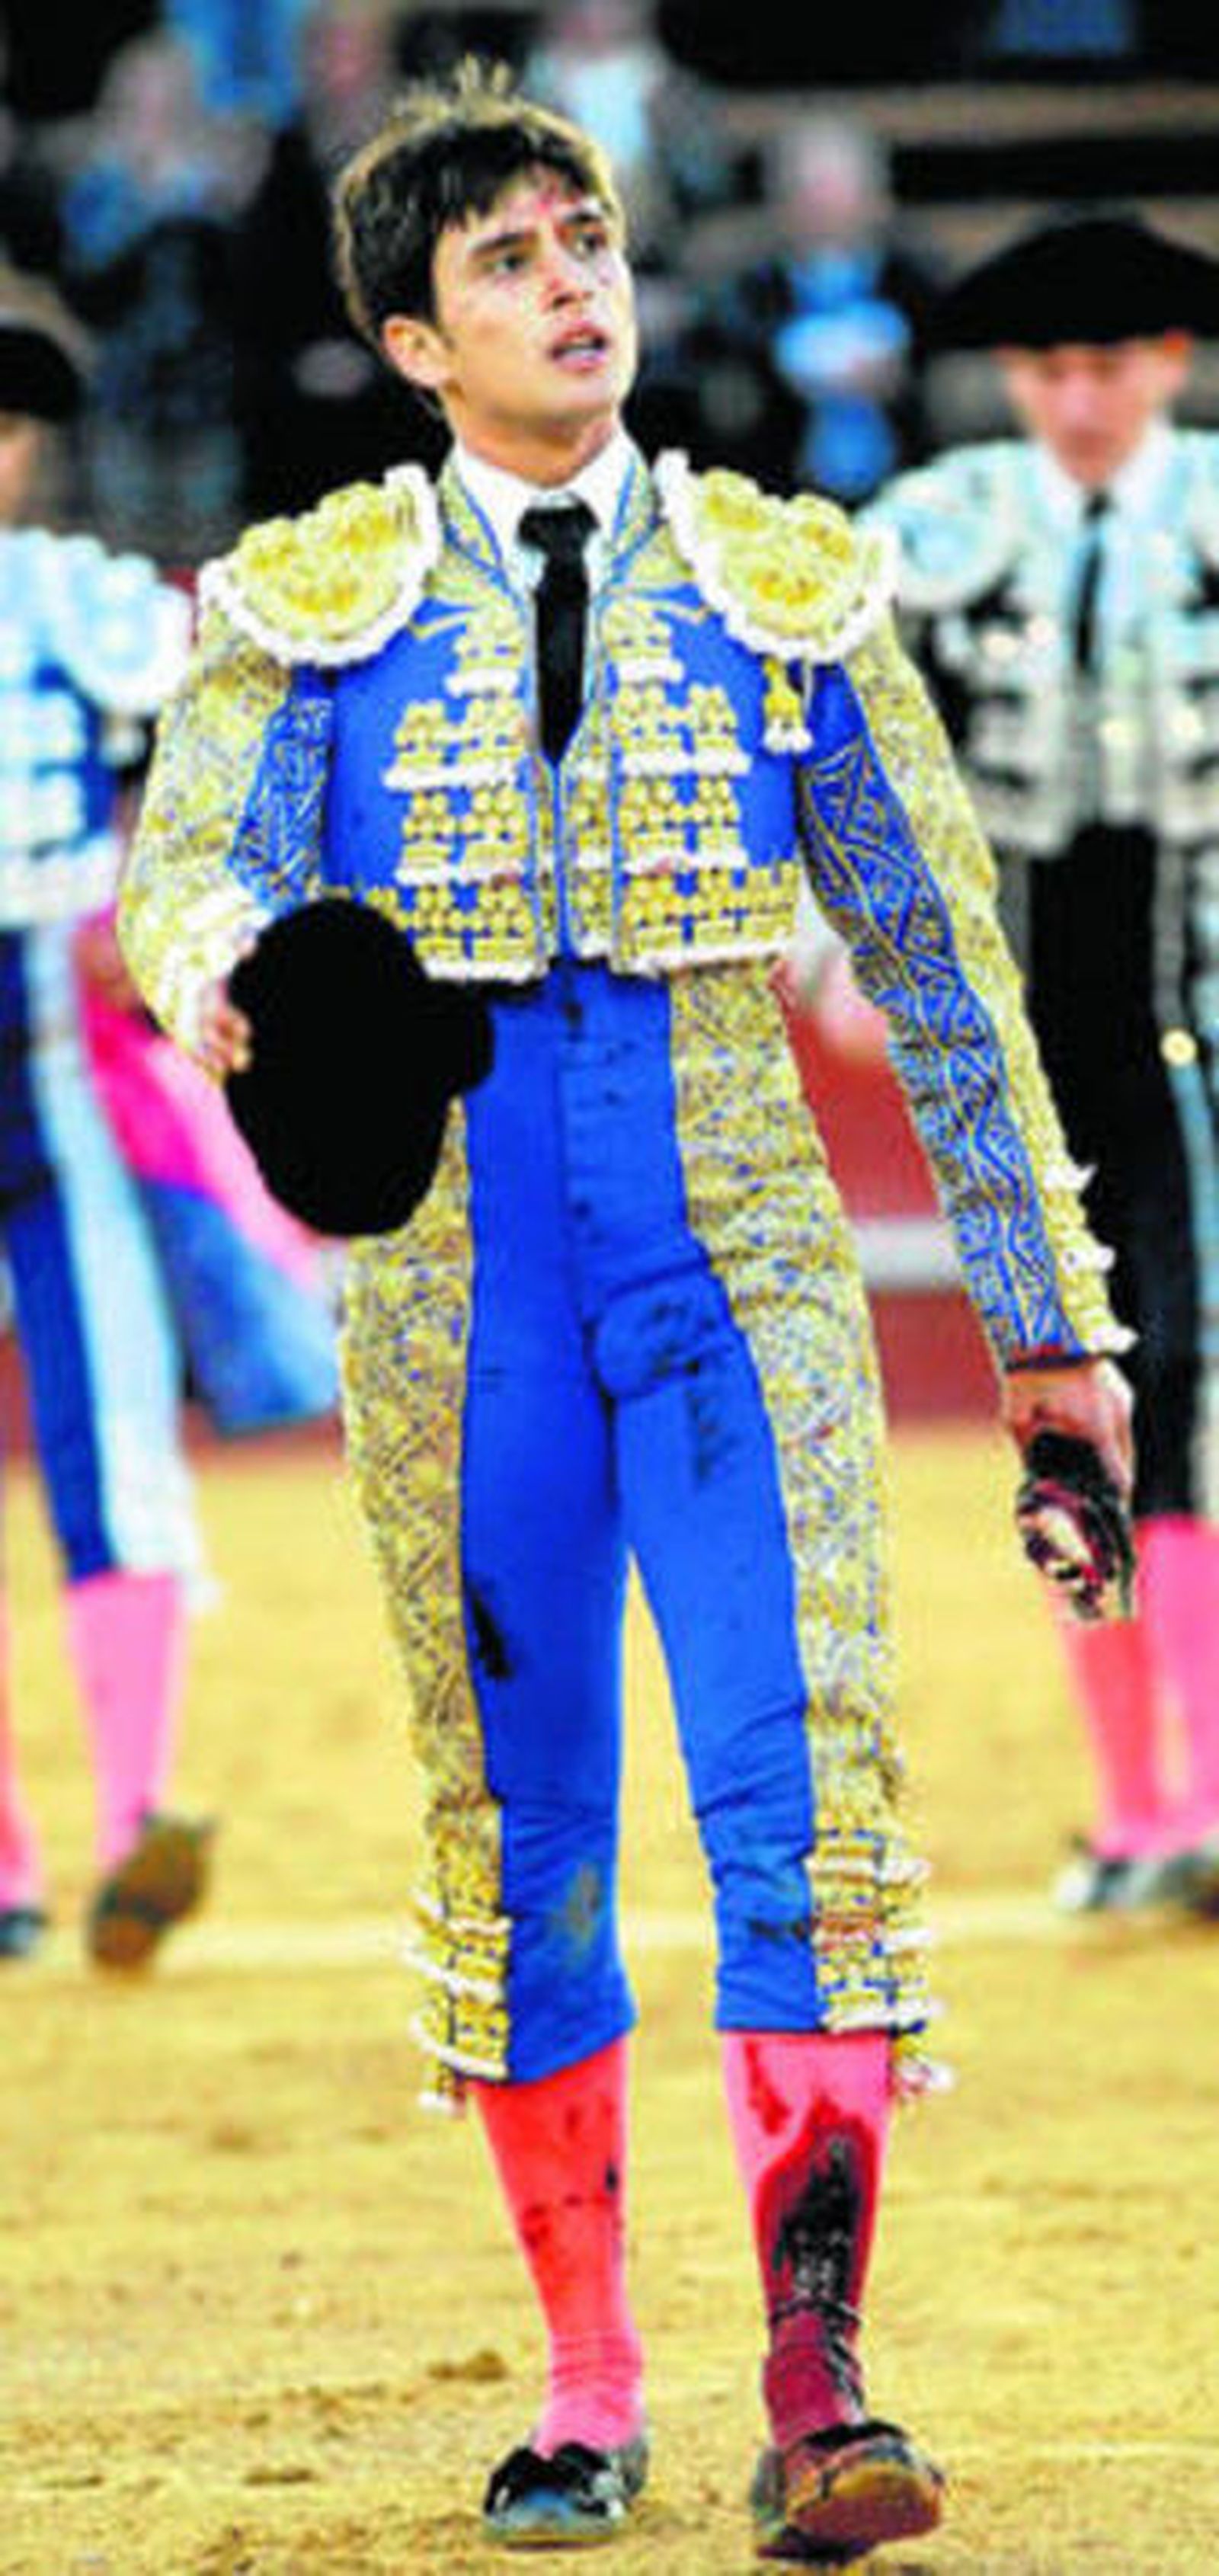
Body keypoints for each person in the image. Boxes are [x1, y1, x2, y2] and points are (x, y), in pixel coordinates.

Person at [118, 66, 1131, 2562]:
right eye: (510, 260)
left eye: (588, 239)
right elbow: (179, 885)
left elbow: (942, 960)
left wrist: (1045, 1322)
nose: (576, 284)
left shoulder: (785, 582)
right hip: (459, 1279)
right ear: (406, 334)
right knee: (522, 1821)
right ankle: (587, 2383)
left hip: (741, 1241)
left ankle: (821, 2375)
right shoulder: (307, 596)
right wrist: (249, 984)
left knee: (810, 1783)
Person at [864, 208, 1219, 1916]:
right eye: (1045, 369)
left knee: (1199, 1382)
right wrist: (830, 938)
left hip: (1196, 996)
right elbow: (831, 738)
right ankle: (1133, 1804)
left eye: (1107, 365)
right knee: (1063, 1396)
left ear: (1167, 364)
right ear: (1012, 378)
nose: (1076, 399)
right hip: (1019, 1021)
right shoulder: (933, 535)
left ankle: (1204, 1794)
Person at [0, 274, 338, 1970]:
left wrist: (153, 888)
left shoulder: (78, 601)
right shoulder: (74, 598)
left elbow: (240, 722)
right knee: (106, 1429)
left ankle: (132, 1827)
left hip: (60, 1051)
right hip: (43, 1045)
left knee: (112, 1430)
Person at [681, 113, 938, 504]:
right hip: (784, 496)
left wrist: (903, 376)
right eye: (808, 193)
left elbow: (948, 366)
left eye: (838, 192)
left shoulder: (916, 282)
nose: (824, 209)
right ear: (780, 204)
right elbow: (719, 379)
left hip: (904, 495)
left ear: (877, 200)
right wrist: (781, 370)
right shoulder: (748, 293)